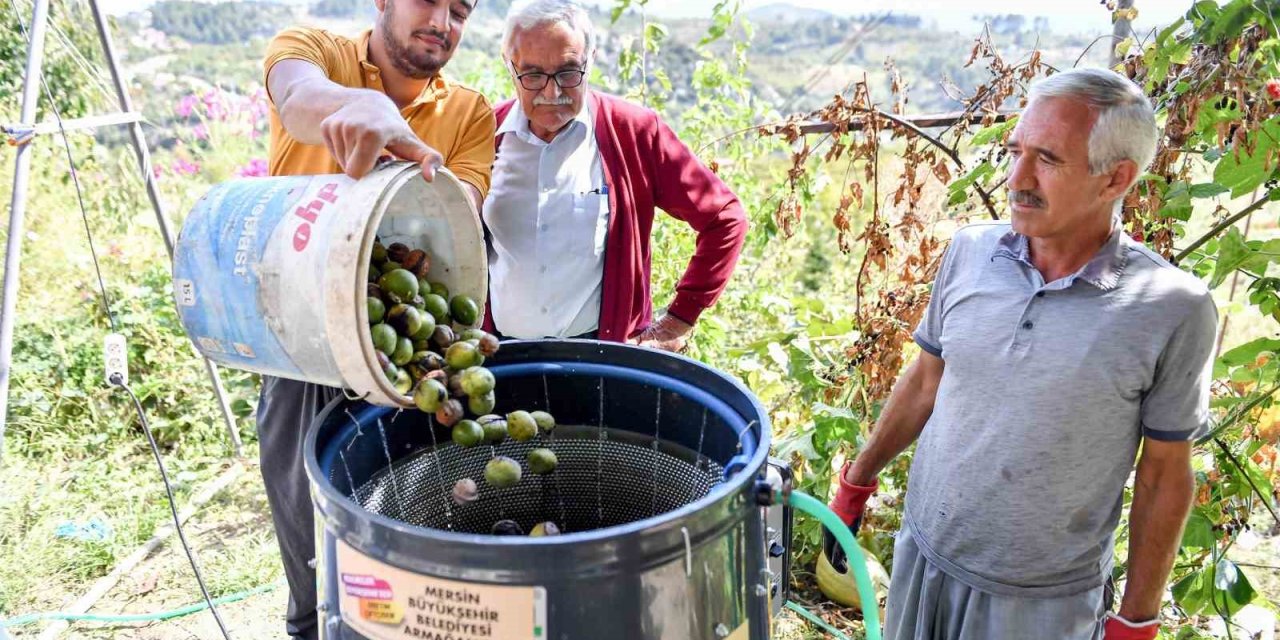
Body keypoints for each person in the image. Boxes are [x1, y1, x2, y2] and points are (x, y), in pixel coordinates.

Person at [823, 67, 1217, 640]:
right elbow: (927, 380)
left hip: (1041, 604)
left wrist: (1137, 619)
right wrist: (855, 484)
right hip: (924, 559)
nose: (1017, 178)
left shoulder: (1169, 308)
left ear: (1115, 179)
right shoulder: (970, 252)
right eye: (1015, 152)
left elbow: (1163, 474)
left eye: (1048, 160)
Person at [256, 0, 495, 636]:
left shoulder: (468, 112)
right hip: (301, 344)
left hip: (407, 352)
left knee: (404, 517)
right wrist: (356, 108)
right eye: (428, 1)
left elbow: (458, 211)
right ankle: (312, 624)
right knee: (305, 518)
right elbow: (298, 96)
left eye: (460, 10)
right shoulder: (313, 50)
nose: (442, 21)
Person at [480, 0, 747, 350]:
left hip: (606, 357)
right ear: (509, 65)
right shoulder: (483, 134)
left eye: (568, 73)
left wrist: (679, 319)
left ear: (590, 61)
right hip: (504, 356)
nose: (552, 92)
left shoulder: (634, 132)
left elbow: (725, 218)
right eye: (532, 75)